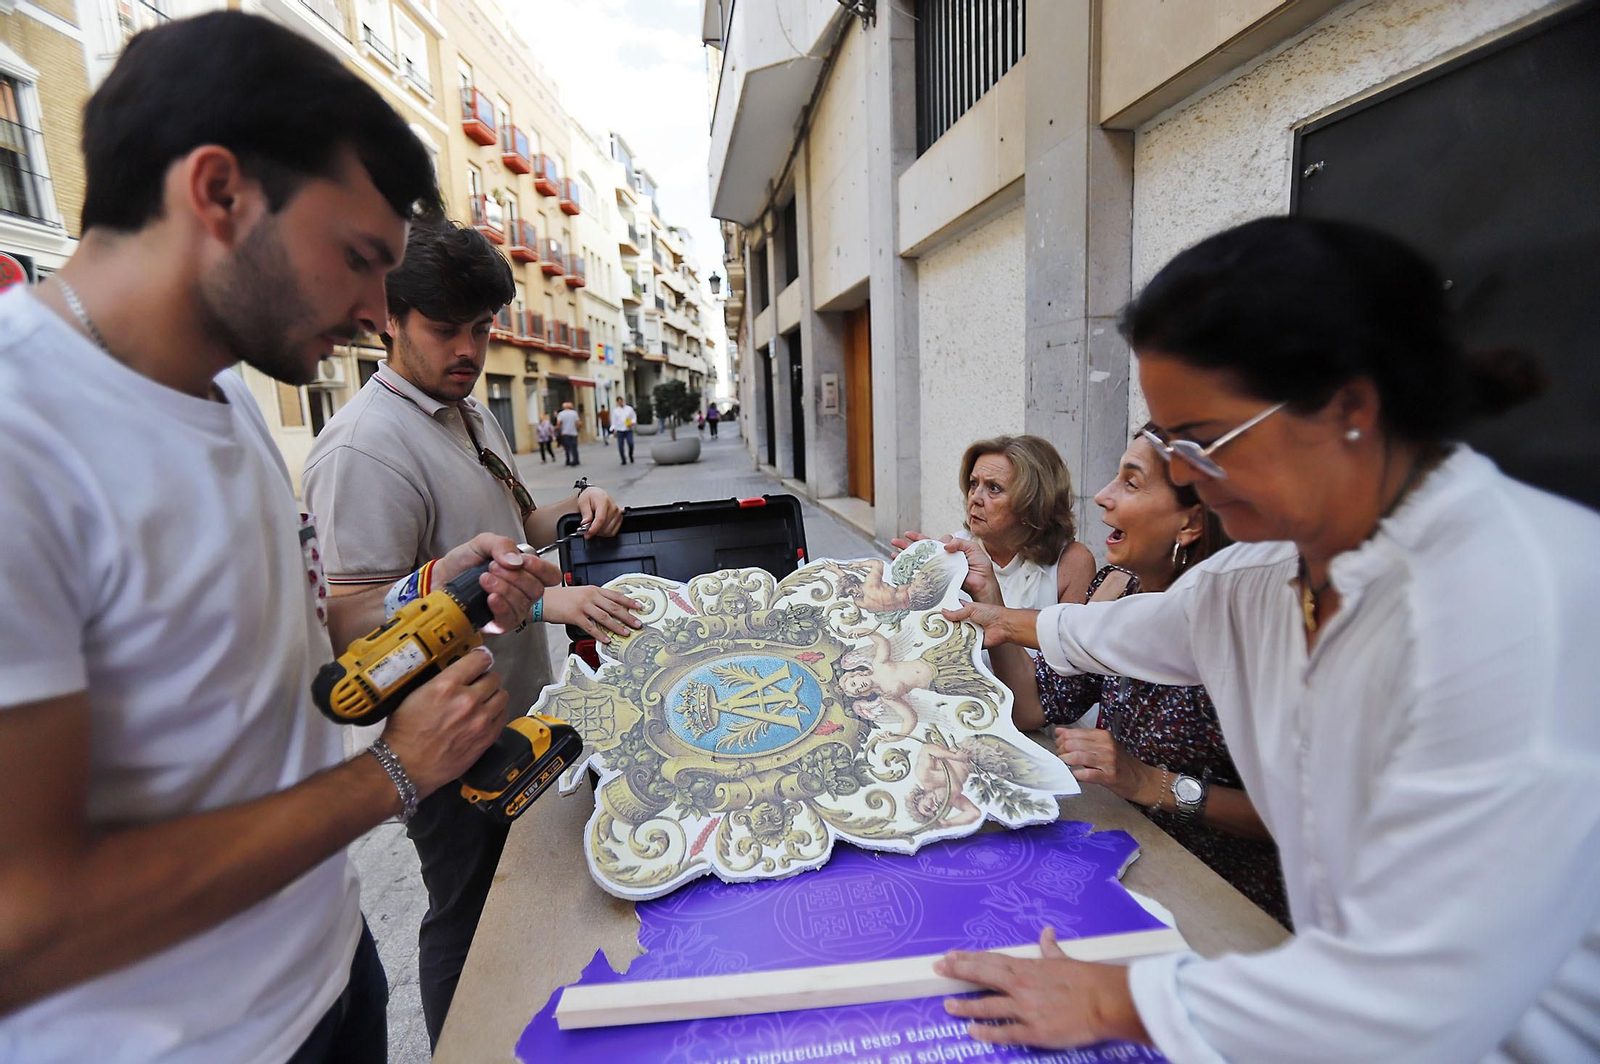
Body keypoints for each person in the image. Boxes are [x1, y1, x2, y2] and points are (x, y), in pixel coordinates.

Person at [0, 13, 560, 1064]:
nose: (369, 310)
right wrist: (392, 776)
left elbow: (311, 644)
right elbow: (25, 923)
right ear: (218, 193)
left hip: (330, 981)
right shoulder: (22, 441)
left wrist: (440, 590)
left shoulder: (221, 398)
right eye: (356, 259)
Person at [934, 217, 1599, 1062]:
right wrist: (998, 619)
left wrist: (1116, 997)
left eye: (1202, 445)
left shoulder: (1524, 602)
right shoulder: (1268, 573)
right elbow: (1131, 628)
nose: (1182, 480)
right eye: (1168, 448)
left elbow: (1418, 995)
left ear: (1351, 407)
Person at [301, 219, 638, 1047]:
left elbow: (520, 524)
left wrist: (577, 509)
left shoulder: (468, 413)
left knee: (517, 904)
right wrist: (516, 599)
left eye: (481, 327)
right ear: (390, 317)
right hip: (442, 741)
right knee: (466, 916)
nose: (468, 347)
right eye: (444, 327)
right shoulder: (365, 450)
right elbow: (348, 620)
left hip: (516, 713)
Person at [957, 430, 1289, 926]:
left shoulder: (1254, 624)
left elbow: (1296, 815)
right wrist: (995, 604)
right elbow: (1032, 705)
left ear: (1191, 522)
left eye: (1131, 483)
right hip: (1121, 844)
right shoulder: (1120, 588)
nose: (1102, 495)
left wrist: (1151, 782)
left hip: (1220, 893)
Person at [956, 436, 1097, 610]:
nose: (975, 498)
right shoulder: (956, 551)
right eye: (973, 483)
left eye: (994, 488)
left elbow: (1066, 637)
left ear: (1032, 504)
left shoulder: (1072, 563)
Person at [612, 395, 636, 464]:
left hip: (628, 429)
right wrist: (614, 429)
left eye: (621, 401)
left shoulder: (629, 409)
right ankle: (623, 459)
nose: (621, 403)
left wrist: (632, 423)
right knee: (620, 446)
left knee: (630, 443)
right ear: (617, 403)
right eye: (619, 402)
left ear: (623, 401)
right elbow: (614, 421)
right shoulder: (615, 411)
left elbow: (633, 417)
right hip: (620, 430)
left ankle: (630, 455)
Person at [556, 399, 580, 466]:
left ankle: (568, 460)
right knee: (574, 447)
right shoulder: (574, 413)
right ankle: (576, 460)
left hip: (565, 433)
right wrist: (577, 429)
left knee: (567, 448)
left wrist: (559, 430)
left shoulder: (561, 414)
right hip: (573, 433)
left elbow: (558, 423)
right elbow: (578, 422)